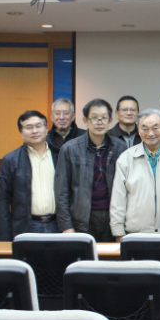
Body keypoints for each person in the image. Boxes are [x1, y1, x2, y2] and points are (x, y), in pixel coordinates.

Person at [55, 99, 127, 241]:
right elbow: (61, 191)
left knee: (112, 256)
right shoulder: (70, 149)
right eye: (94, 118)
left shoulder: (120, 147)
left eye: (104, 118)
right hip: (81, 220)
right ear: (85, 121)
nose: (99, 122)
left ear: (110, 120)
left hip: (114, 218)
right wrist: (66, 226)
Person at [110, 109, 160, 241]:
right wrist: (118, 233)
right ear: (138, 130)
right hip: (135, 235)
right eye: (145, 129)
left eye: (155, 128)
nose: (150, 133)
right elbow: (118, 200)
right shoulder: (126, 158)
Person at [0, 111, 59, 240]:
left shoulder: (60, 156)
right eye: (29, 127)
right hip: (26, 227)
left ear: (46, 129)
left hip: (58, 225)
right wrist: (4, 238)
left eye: (38, 126)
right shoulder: (11, 160)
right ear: (21, 132)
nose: (34, 131)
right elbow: (2, 201)